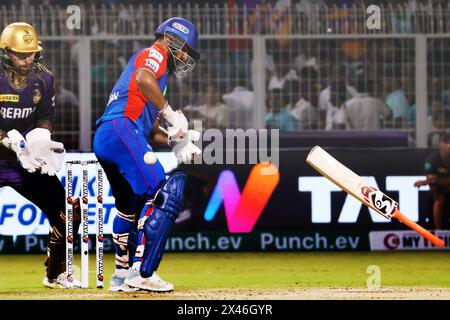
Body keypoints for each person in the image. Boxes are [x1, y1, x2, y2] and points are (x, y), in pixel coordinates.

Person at [93, 17, 202, 292]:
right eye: (185, 48)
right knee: (165, 195)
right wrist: (169, 112)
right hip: (122, 128)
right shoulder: (155, 54)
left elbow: (152, 131)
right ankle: (143, 273)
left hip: (109, 136)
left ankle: (121, 276)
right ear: (171, 39)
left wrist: (177, 140)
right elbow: (143, 78)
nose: (185, 56)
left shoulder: (160, 80)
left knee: (128, 207)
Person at [0, 22, 76, 288]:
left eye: (31, 53)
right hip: (4, 153)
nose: (26, 59)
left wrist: (41, 141)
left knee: (67, 211)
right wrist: (9, 142)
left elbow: (44, 117)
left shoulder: (44, 78)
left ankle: (57, 273)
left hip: (25, 161)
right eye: (20, 54)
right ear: (5, 52)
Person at [414, 132, 450, 230]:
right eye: (446, 142)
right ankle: (438, 231)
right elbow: (431, 179)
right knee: (438, 197)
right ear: (440, 144)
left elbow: (432, 180)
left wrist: (427, 182)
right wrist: (431, 182)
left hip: (443, 184)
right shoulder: (432, 160)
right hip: (441, 189)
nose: (449, 145)